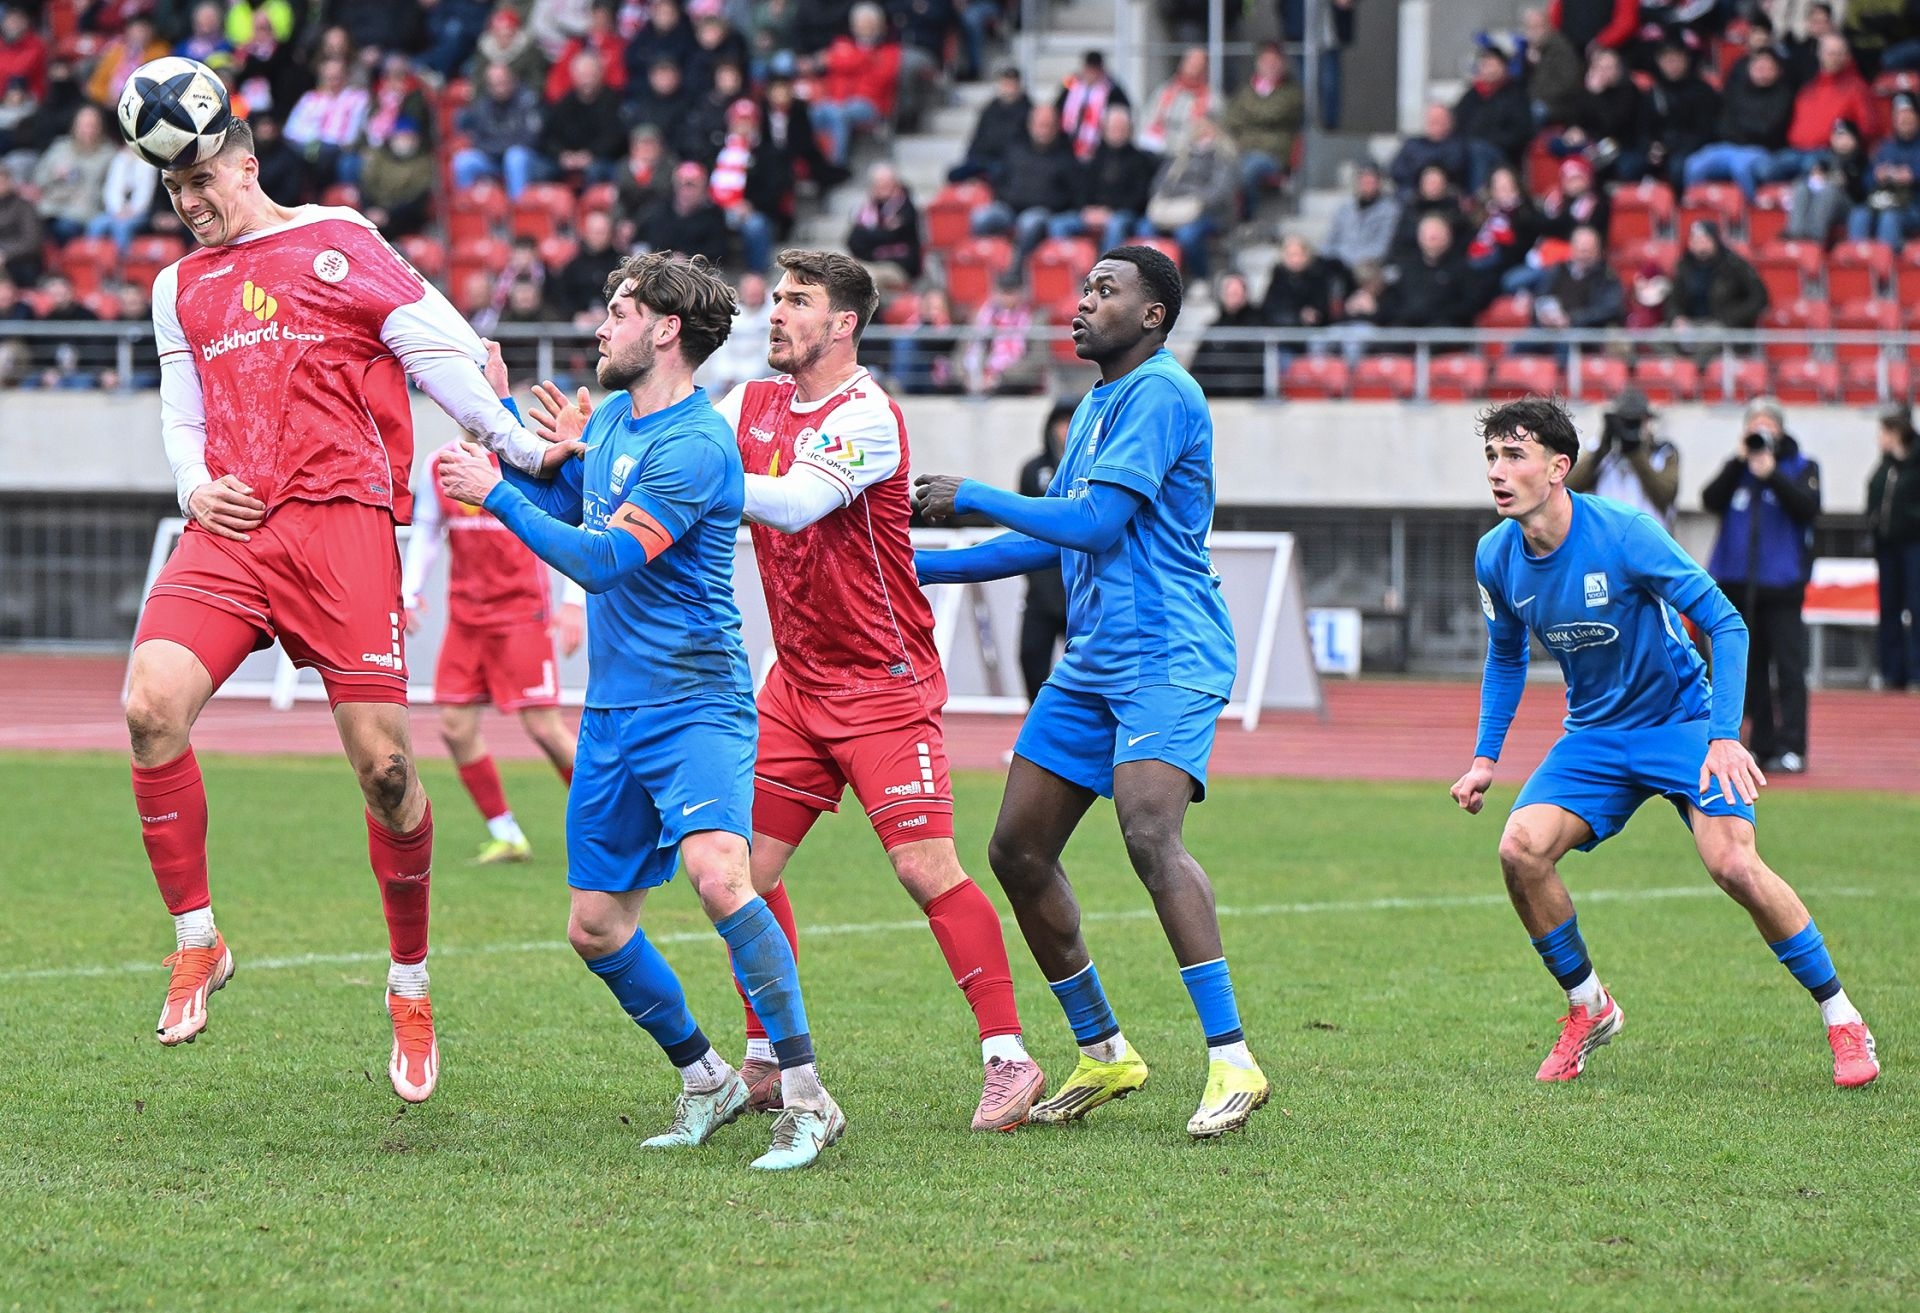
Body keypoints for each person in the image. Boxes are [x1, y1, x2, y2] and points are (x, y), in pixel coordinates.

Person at [124, 117, 576, 1104]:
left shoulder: (338, 238)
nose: (190, 202)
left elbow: (441, 351)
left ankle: (409, 985)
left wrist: (519, 444)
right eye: (174, 190)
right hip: (235, 525)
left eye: (203, 180)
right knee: (149, 704)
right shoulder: (176, 287)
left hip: (343, 525)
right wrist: (193, 485)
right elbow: (180, 411)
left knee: (388, 771)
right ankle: (198, 938)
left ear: (247, 165)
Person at [438, 251, 844, 1169]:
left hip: (695, 700)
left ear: (666, 329)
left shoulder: (697, 443)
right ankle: (707, 1077)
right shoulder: (618, 417)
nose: (601, 324)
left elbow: (603, 561)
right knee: (594, 925)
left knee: (720, 877)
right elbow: (571, 505)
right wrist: (500, 425)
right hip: (614, 710)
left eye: (619, 310)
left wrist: (492, 490)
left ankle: (808, 1095)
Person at [630, 247, 1045, 1132]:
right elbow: (674, 441)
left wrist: (688, 482)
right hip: (796, 683)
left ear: (844, 323)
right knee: (737, 871)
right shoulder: (751, 402)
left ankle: (1009, 1057)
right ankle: (768, 1055)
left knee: (923, 867)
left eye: (798, 301)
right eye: (777, 298)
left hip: (883, 683)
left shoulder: (869, 416)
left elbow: (789, 504)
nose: (776, 313)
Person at [912, 245, 1271, 1139]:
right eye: (1083, 288)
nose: (1081, 302)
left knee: (1149, 829)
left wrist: (973, 494)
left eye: (1105, 290)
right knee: (1017, 850)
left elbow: (1098, 521)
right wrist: (920, 566)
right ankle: (1105, 1049)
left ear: (1153, 315)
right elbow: (1057, 538)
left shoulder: (1162, 393)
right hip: (1095, 659)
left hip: (1168, 651)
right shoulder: (1096, 406)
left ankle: (1233, 1058)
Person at [1451, 396, 1878, 1090]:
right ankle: (1589, 1006)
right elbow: (1505, 656)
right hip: (1594, 734)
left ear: (1558, 468)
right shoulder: (1494, 555)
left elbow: (1727, 622)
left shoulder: (1624, 533)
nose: (1497, 470)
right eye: (1492, 456)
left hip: (1680, 723)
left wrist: (1723, 738)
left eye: (1515, 455)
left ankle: (1843, 1017)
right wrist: (1483, 759)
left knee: (1733, 864)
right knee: (1519, 849)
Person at [402, 408, 584, 865]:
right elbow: (427, 532)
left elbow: (576, 524)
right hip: (466, 618)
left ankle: (611, 827)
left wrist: (573, 603)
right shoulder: (440, 463)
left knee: (544, 728)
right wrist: (408, 592)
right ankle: (507, 835)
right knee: (454, 727)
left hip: (522, 613)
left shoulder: (525, 458)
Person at [1702, 398, 1821, 775]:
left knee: (1789, 669)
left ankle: (1793, 746)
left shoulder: (1802, 466)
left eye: (1767, 424)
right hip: (1737, 586)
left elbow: (1808, 507)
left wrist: (1772, 474)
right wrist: (1738, 462)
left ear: (1781, 430)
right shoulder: (1738, 469)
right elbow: (1710, 499)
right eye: (1753, 425)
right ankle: (1761, 743)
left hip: (1782, 586)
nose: (1760, 432)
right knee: (1748, 670)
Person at [1017, 401, 1072, 701]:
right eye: (1061, 422)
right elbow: (1022, 524)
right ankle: (1037, 720)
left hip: (1079, 587)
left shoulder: (1096, 468)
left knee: (1089, 666)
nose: (1065, 430)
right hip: (1041, 586)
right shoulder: (1033, 469)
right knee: (1030, 655)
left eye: (1071, 421)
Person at [1567, 385, 1679, 526]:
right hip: (1608, 532)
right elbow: (1569, 487)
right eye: (1625, 422)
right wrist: (1602, 450)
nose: (1629, 427)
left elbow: (1666, 495)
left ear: (1647, 421)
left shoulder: (1663, 453)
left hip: (1649, 533)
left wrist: (1635, 451)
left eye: (1635, 422)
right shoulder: (1600, 452)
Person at [1868, 405, 1920, 690]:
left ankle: (1916, 672)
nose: (1880, 438)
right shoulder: (1886, 465)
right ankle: (1892, 672)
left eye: (1885, 432)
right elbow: (1874, 493)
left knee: (1916, 606)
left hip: (1914, 545)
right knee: (1889, 608)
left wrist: (1909, 520)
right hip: (1887, 546)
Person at [1183, 270, 1264, 397]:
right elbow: (1197, 365)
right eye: (1229, 293)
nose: (1233, 297)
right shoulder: (1213, 327)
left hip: (1243, 394)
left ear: (1245, 295)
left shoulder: (1256, 325)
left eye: (1236, 293)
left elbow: (1255, 366)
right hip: (1213, 393)